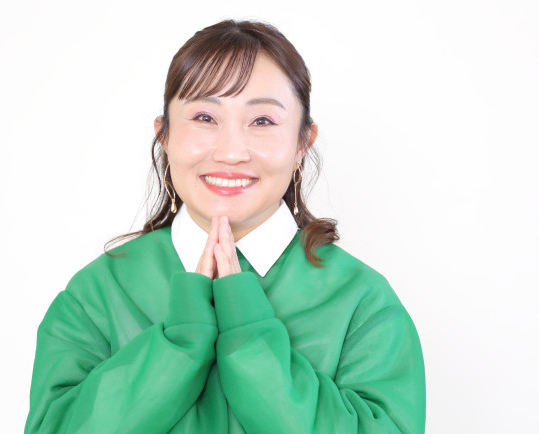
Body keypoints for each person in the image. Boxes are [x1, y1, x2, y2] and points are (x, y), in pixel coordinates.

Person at [25, 20, 425, 434]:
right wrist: (180, 343)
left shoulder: (364, 303)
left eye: (262, 121)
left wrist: (249, 337)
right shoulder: (96, 293)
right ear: (164, 136)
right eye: (204, 116)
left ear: (303, 143)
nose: (231, 152)